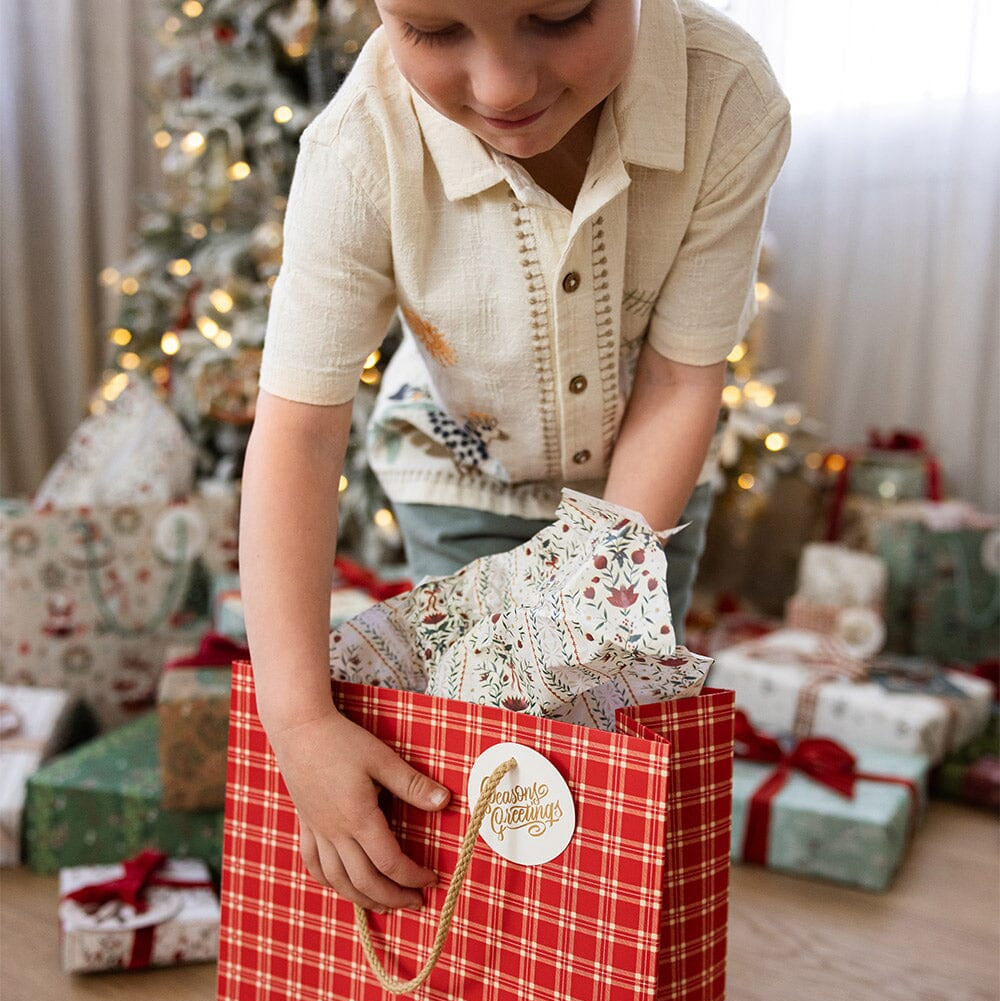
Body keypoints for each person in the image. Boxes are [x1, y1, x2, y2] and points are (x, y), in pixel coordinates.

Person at [240, 0, 790, 916]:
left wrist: (594, 614)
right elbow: (298, 428)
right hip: (464, 479)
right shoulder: (356, 150)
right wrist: (297, 720)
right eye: (433, 31)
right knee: (480, 780)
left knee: (613, 759)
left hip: (637, 492)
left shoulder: (728, 98)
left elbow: (681, 380)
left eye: (562, 13)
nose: (502, 86)